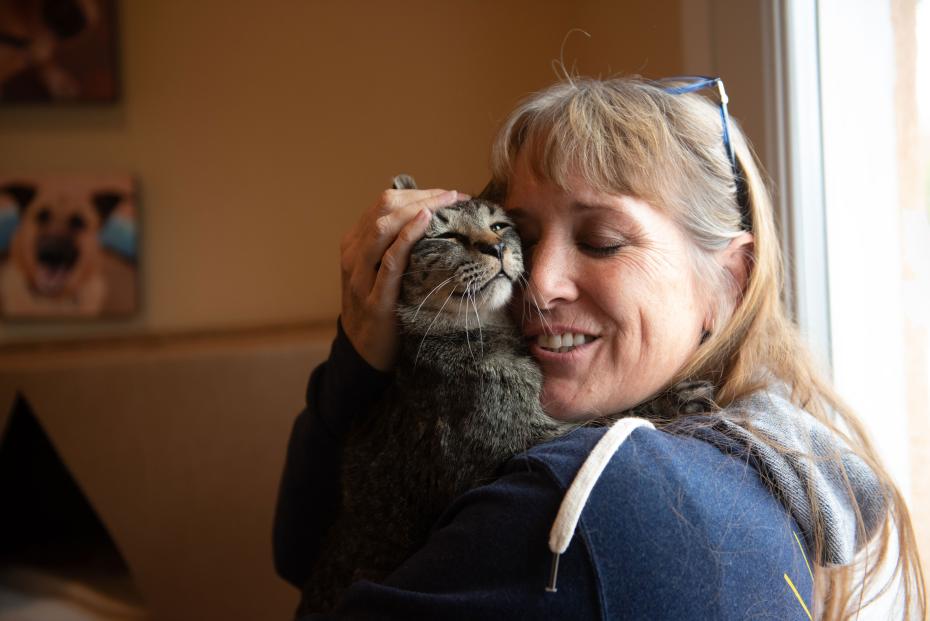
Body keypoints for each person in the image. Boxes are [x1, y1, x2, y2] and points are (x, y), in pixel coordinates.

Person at [273, 76, 926, 620]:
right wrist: (360, 359)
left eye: (603, 240)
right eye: (522, 234)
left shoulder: (583, 500)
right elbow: (306, 550)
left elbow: (301, 561)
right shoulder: (766, 450)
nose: (539, 282)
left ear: (729, 280)